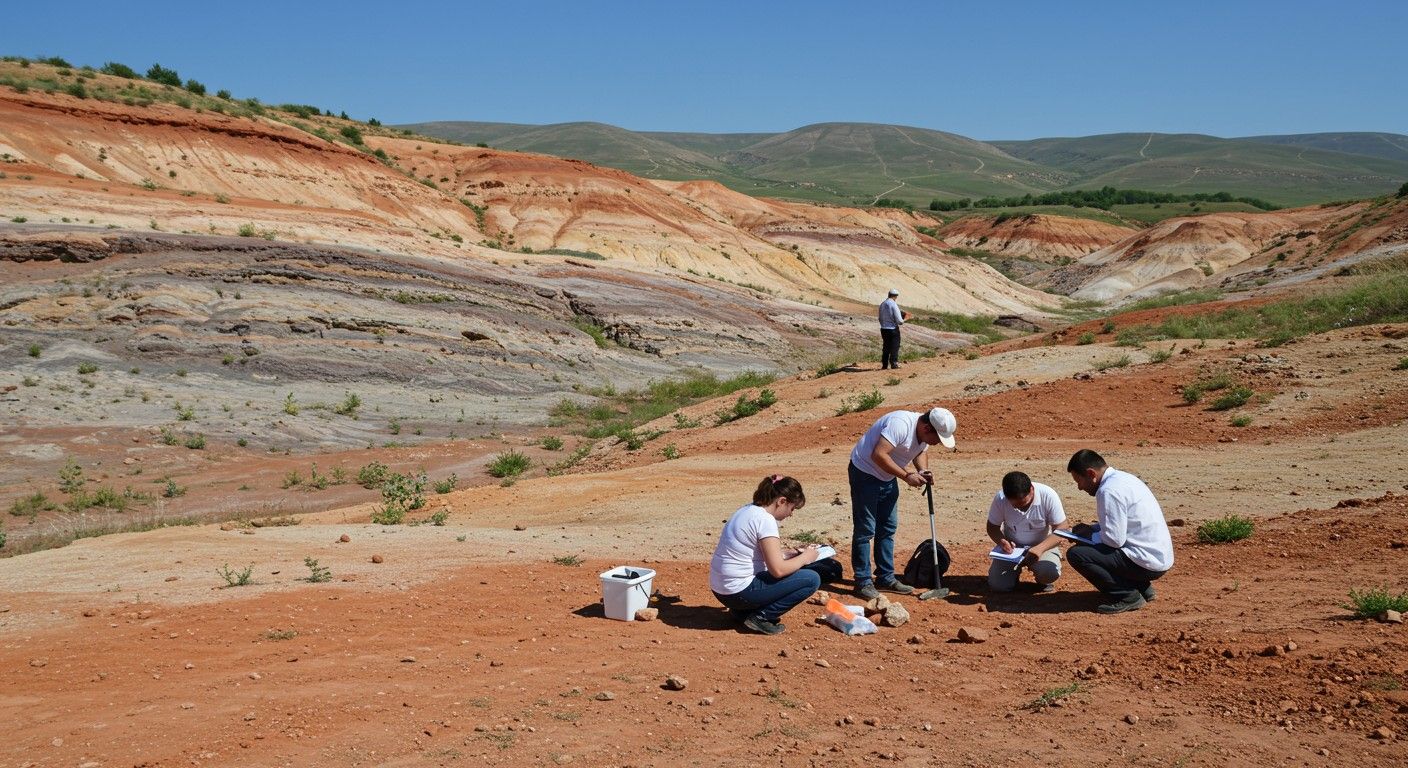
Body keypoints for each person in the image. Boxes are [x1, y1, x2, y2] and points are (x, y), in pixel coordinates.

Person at [848, 407, 957, 600]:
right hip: (865, 472)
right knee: (866, 529)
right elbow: (878, 455)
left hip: (887, 476)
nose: (938, 443)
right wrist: (906, 475)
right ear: (926, 428)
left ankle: (885, 577)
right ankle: (863, 582)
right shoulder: (900, 424)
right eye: (938, 438)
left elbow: (920, 451)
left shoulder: (923, 432)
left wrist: (923, 471)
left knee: (888, 527)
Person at [710, 475, 828, 635]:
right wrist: (805, 557)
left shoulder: (747, 510)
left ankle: (742, 612)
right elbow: (777, 570)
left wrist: (793, 554)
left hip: (723, 591)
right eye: (792, 508)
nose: (791, 514)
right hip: (738, 592)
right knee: (811, 579)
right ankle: (760, 617)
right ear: (781, 501)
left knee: (793, 570)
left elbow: (756, 554)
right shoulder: (765, 520)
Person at [1064, 449, 1174, 614]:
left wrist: (1086, 536)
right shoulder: (1124, 478)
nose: (1080, 487)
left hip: (1146, 563)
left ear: (1090, 473)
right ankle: (1143, 587)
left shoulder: (1108, 491)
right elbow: (1123, 525)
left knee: (1078, 554)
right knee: (1100, 546)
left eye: (1078, 481)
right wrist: (1092, 529)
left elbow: (1113, 540)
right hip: (1158, 557)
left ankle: (1128, 596)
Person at [986, 471, 1070, 593]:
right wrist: (1002, 542)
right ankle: (1012, 576)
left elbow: (1062, 528)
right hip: (1013, 551)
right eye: (1015, 506)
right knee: (998, 585)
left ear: (1031, 489)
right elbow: (992, 527)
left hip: (1043, 546)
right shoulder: (1000, 498)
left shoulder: (1048, 495)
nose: (1020, 508)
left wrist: (1039, 549)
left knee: (1049, 573)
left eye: (1024, 504)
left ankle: (1043, 579)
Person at [878, 288, 910, 370]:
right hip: (892, 329)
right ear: (896, 296)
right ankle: (894, 363)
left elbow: (880, 318)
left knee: (886, 346)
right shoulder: (893, 304)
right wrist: (906, 318)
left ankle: (884, 365)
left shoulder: (882, 304)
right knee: (895, 346)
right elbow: (900, 321)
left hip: (883, 329)